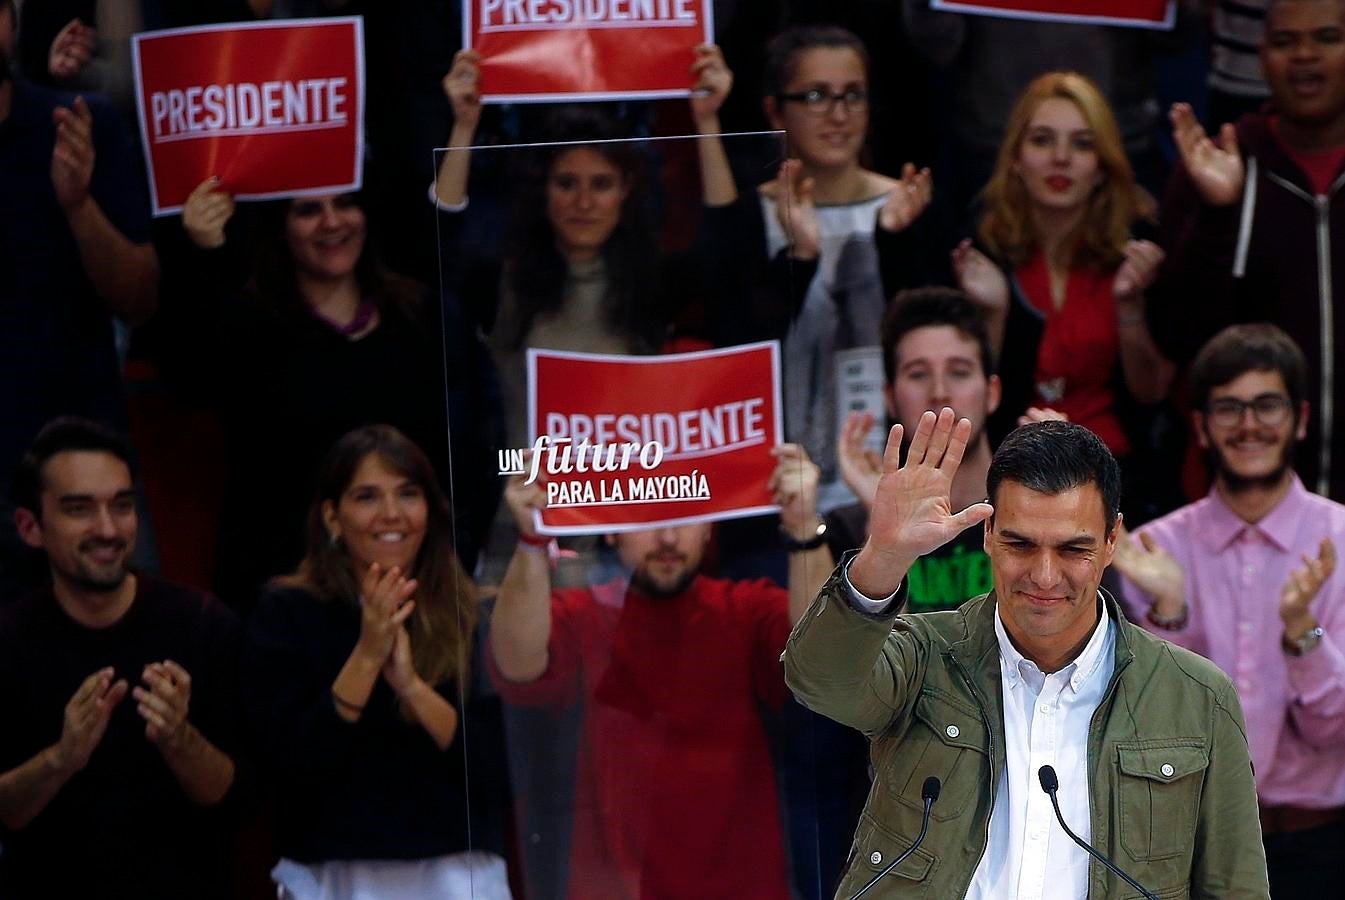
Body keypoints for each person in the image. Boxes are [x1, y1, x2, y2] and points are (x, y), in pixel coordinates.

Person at [783, 412, 1269, 898]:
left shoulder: (1199, 697)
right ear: (989, 533)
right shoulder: (923, 657)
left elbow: (1237, 888)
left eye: (1072, 549)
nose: (1044, 576)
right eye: (1020, 544)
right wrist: (883, 558)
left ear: (1111, 541)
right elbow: (818, 682)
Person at [487, 443, 830, 899]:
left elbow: (829, 656)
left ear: (710, 525)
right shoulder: (578, 613)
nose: (668, 537)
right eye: (650, 515)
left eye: (686, 514)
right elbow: (517, 663)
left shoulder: (745, 609)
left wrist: (804, 526)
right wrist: (532, 537)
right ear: (611, 529)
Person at [164, 183, 500, 605]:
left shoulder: (422, 317)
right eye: (308, 210)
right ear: (281, 227)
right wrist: (207, 253)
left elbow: (463, 451)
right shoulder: (249, 327)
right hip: (288, 590)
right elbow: (189, 380)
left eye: (345, 203)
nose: (332, 222)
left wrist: (456, 555)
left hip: (416, 582)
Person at [1112, 324, 1345, 899]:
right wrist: (1170, 612)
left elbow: (1334, 731)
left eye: (1267, 405)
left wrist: (1301, 634)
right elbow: (1149, 728)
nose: (1249, 426)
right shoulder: (1150, 550)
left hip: (1318, 846)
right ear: (1201, 427)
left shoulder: (1341, 540)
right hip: (1185, 846)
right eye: (1229, 408)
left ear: (1301, 418)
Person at [242, 424, 510, 899]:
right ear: (331, 517)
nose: (392, 514)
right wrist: (367, 655)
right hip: (336, 869)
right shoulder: (286, 612)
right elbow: (293, 763)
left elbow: (491, 770)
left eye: (408, 494)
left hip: (454, 869)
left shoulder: (469, 609)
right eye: (367, 497)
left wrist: (411, 687)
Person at [692, 26, 937, 513]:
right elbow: (737, 349)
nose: (839, 115)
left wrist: (897, 244)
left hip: (893, 479)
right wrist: (800, 259)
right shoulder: (751, 217)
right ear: (775, 111)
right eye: (817, 96)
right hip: (778, 485)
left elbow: (928, 344)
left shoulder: (907, 206)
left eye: (852, 95)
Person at [0, 418, 241, 899]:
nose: (108, 529)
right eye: (78, 509)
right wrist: (62, 759)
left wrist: (179, 739)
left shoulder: (202, 624)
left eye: (122, 506)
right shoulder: (9, 641)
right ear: (31, 527)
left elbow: (234, 799)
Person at [1152, 0, 1345, 500]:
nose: (1304, 56)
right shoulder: (1216, 166)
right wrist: (1220, 213)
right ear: (1260, 57)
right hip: (1241, 504)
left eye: (1326, 38)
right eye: (1285, 42)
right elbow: (1176, 338)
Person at [0, 0, 158, 596]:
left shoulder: (79, 125)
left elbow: (139, 299)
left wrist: (77, 206)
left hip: (84, 478)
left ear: (14, 17)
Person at [826, 287, 1001, 612]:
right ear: (890, 398)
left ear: (992, 393)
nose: (939, 392)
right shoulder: (847, 528)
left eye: (959, 372)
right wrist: (880, 528)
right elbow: (860, 659)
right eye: (918, 374)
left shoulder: (1026, 513)